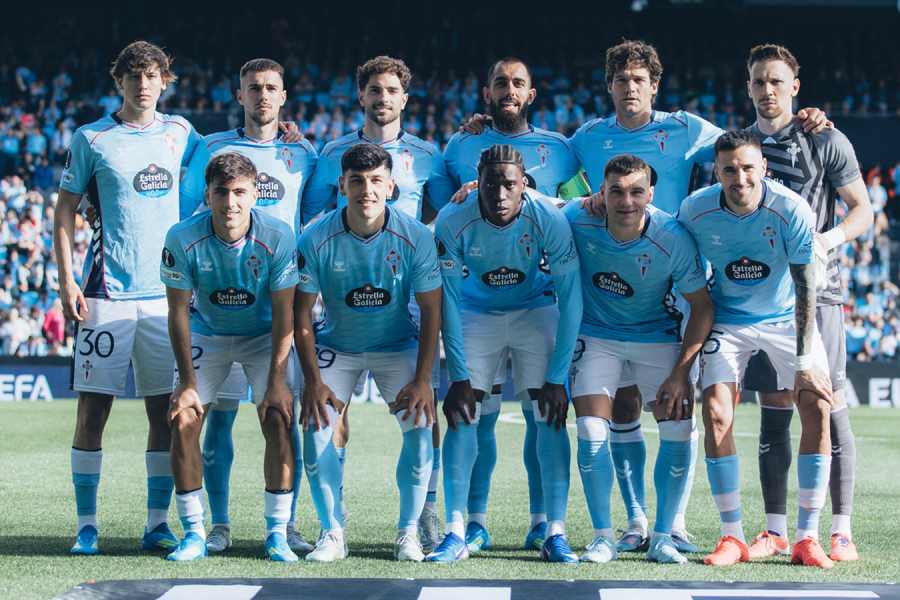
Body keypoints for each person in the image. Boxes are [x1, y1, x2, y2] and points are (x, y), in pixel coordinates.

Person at [53, 41, 204, 555]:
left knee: (164, 413)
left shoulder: (181, 131)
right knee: (92, 411)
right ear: (119, 81)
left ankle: (156, 523)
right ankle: (86, 525)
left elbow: (230, 152)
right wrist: (67, 280)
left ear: (165, 81)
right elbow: (65, 209)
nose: (143, 84)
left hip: (165, 299)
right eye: (133, 75)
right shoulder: (92, 138)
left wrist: (286, 131)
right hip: (105, 294)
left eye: (152, 75)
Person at [303, 55, 455, 551]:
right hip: (344, 290)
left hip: (404, 296)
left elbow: (448, 212)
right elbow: (309, 213)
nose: (383, 98)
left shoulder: (427, 155)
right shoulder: (332, 153)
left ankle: (423, 513)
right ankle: (334, 518)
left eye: (392, 90)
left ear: (404, 98)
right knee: (330, 415)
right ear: (361, 96)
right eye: (374, 90)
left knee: (422, 411)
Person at [739, 44, 873, 563]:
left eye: (776, 81)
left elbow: (861, 209)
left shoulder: (825, 139)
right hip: (762, 299)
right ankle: (775, 530)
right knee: (774, 411)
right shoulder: (740, 147)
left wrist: (826, 241)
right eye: (758, 81)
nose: (767, 90)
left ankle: (841, 530)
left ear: (795, 86)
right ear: (748, 87)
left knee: (827, 405)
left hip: (820, 293)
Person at [443, 57, 582, 552]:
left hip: (535, 306)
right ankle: (463, 526)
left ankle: (549, 526)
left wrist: (559, 376)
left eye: (517, 82)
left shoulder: (560, 157)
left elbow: (583, 207)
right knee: (467, 413)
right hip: (476, 310)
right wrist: (457, 373)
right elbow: (446, 291)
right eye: (499, 82)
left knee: (546, 413)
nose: (500, 193)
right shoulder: (460, 152)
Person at [180, 57, 318, 555]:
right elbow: (186, 211)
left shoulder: (303, 153)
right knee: (217, 420)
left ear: (284, 96)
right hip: (219, 306)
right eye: (253, 87)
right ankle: (217, 525)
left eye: (271, 87)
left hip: (278, 309)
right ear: (239, 95)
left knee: (281, 415)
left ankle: (286, 524)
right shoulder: (210, 147)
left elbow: (313, 218)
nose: (262, 95)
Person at [678, 131, 835, 568]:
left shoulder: (791, 209)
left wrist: (803, 363)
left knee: (817, 404)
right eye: (729, 169)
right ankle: (732, 536)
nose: (739, 178)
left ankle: (806, 538)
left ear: (763, 168)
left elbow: (806, 287)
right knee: (716, 414)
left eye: (748, 168)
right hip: (728, 319)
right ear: (716, 173)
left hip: (786, 317)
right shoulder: (694, 211)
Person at [564, 154, 712, 564]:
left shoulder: (672, 237)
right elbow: (536, 204)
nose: (626, 201)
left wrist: (682, 372)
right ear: (601, 193)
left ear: (650, 194)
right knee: (591, 430)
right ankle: (603, 537)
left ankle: (664, 536)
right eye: (616, 191)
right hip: (598, 335)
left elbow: (702, 307)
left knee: (678, 428)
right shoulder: (577, 218)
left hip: (657, 337)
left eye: (635, 192)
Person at [161, 152, 300, 562]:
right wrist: (187, 382)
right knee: (184, 419)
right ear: (207, 195)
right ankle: (193, 533)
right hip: (208, 332)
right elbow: (177, 312)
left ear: (255, 194)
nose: (230, 202)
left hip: (263, 335)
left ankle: (277, 534)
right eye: (221, 192)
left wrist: (276, 381)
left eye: (240, 192)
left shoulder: (278, 236)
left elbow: (285, 313)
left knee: (278, 417)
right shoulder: (181, 237)